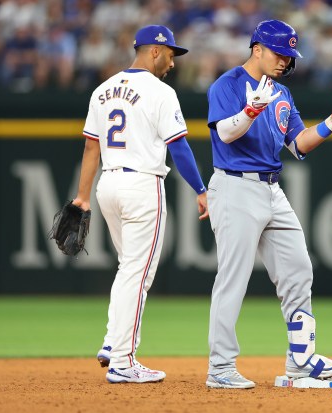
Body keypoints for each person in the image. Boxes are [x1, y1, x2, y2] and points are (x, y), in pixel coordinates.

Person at [205, 19, 332, 389]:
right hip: (234, 185)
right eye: (279, 53)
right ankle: (220, 368)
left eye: (290, 56)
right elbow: (225, 133)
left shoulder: (282, 94)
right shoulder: (227, 85)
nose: (285, 62)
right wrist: (249, 112)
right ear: (257, 48)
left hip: (272, 188)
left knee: (299, 271)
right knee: (233, 279)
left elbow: (298, 143)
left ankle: (300, 359)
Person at [71, 24, 209, 384]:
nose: (173, 62)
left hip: (108, 185)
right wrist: (200, 188)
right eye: (170, 54)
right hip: (142, 185)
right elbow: (178, 146)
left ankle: (111, 342)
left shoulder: (102, 90)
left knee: (128, 268)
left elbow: (91, 147)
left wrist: (82, 196)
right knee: (138, 273)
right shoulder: (160, 92)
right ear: (153, 51)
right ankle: (123, 360)